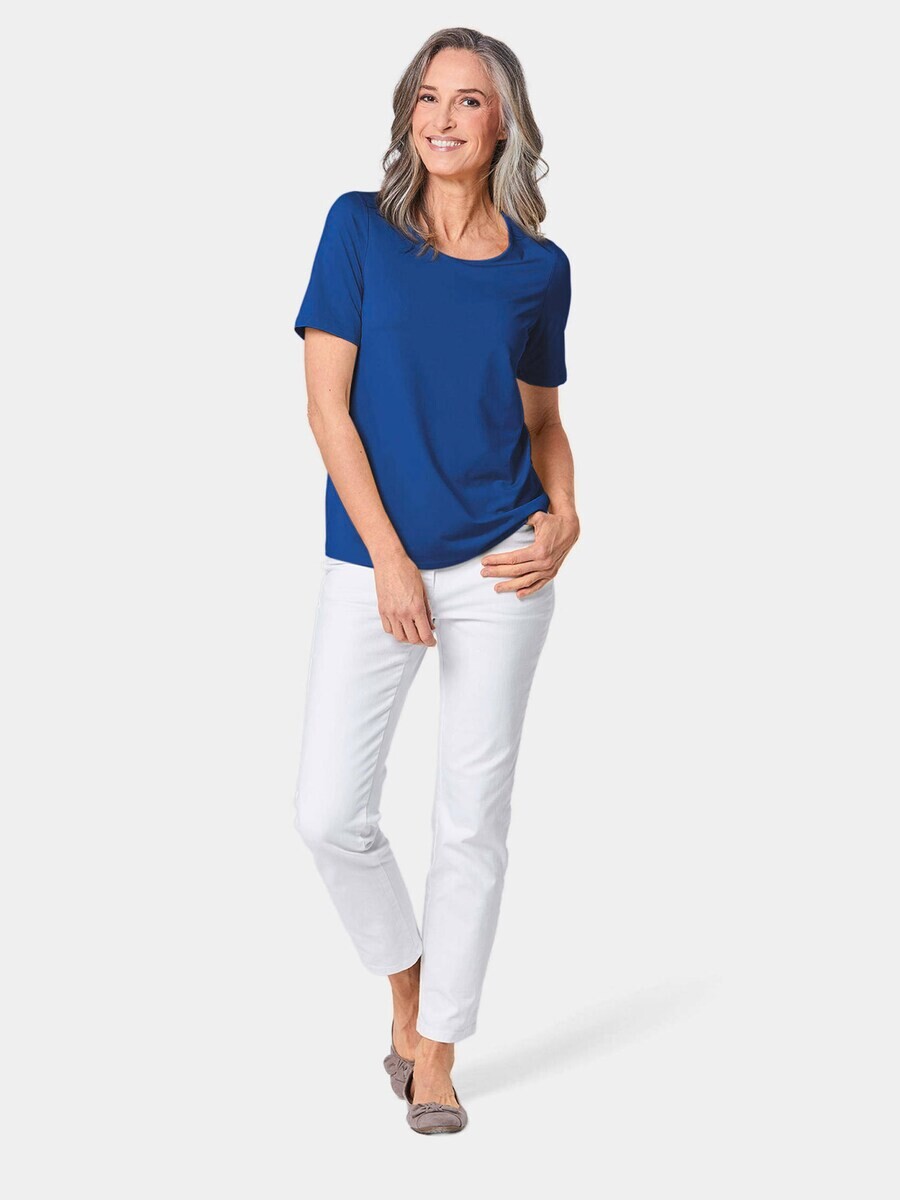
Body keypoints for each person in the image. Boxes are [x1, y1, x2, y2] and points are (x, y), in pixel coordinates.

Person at [290, 26, 579, 1135]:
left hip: (504, 565)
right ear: (408, 114)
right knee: (328, 813)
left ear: (503, 125)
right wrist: (391, 560)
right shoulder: (357, 229)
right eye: (428, 97)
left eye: (468, 101)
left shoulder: (538, 268)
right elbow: (327, 410)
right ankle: (407, 988)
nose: (443, 118)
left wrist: (567, 513)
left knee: (471, 818)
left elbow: (542, 422)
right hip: (376, 561)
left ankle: (441, 1051)